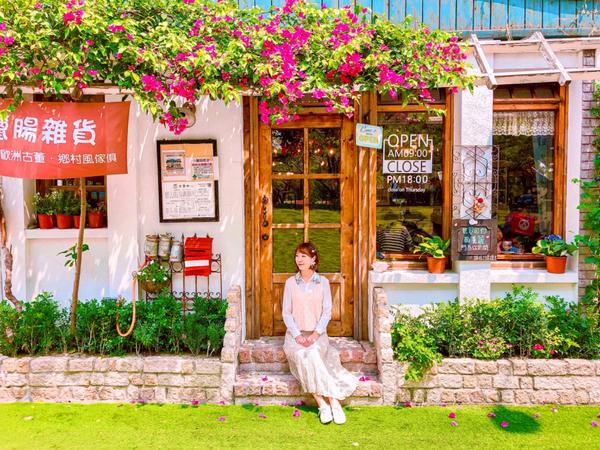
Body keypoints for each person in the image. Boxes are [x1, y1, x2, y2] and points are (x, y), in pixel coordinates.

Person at [282, 242, 358, 425]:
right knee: (304, 356)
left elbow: (327, 312)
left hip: (318, 335)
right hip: (295, 336)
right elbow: (286, 313)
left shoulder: (323, 282)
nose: (299, 259)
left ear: (313, 259)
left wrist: (315, 334)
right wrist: (298, 335)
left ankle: (332, 403)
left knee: (313, 354)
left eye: (304, 256)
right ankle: (324, 404)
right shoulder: (290, 283)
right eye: (297, 256)